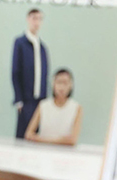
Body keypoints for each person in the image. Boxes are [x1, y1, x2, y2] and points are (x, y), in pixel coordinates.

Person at [11, 7, 49, 139]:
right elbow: (15, 72)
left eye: (39, 19)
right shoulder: (20, 43)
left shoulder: (42, 47)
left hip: (40, 100)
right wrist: (19, 99)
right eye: (34, 18)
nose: (37, 22)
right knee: (23, 134)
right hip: (26, 99)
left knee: (37, 135)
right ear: (28, 19)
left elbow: (44, 75)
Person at [24, 68, 82, 144]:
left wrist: (42, 139)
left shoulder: (77, 108)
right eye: (59, 82)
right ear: (53, 84)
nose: (62, 87)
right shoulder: (43, 105)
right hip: (43, 149)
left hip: (65, 151)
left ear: (71, 85)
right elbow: (28, 134)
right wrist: (60, 140)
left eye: (65, 83)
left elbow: (72, 140)